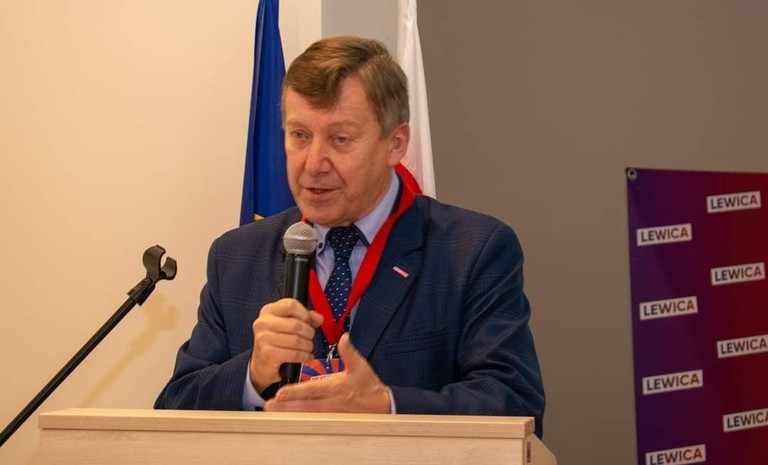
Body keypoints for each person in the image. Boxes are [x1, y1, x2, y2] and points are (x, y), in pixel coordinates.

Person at [155, 36, 545, 437]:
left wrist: (387, 406)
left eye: (340, 139)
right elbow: (173, 408)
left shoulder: (472, 250)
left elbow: (514, 403)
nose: (313, 163)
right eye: (299, 135)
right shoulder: (236, 256)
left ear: (395, 144)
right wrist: (252, 374)